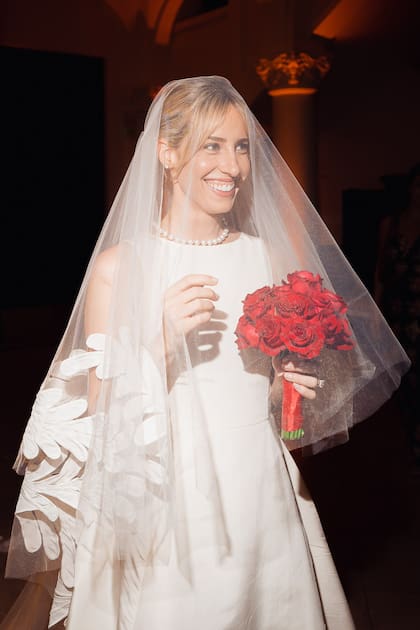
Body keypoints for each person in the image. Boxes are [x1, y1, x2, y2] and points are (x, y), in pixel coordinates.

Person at [2, 76, 409, 629]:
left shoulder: (262, 256)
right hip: (166, 511)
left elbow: (281, 425)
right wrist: (159, 345)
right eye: (211, 145)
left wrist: (285, 391)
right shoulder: (119, 267)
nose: (233, 165)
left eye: (241, 147)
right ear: (166, 153)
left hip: (262, 496)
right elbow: (97, 427)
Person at [375, 163, 420, 471]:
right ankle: (408, 441)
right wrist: (377, 313)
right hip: (395, 313)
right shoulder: (390, 224)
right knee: (400, 382)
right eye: (417, 184)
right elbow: (380, 270)